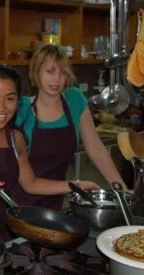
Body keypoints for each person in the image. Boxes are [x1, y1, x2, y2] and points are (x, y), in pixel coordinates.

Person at [0, 64, 98, 241]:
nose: (1, 108)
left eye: (10, 99)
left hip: (0, 237)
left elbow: (31, 184)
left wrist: (76, 185)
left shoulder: (16, 139)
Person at [11, 44, 127, 211]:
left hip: (56, 200)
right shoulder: (21, 108)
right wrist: (77, 184)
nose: (57, 79)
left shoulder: (75, 98)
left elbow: (95, 147)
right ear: (36, 72)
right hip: (19, 202)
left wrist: (120, 190)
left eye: (63, 72)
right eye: (50, 72)